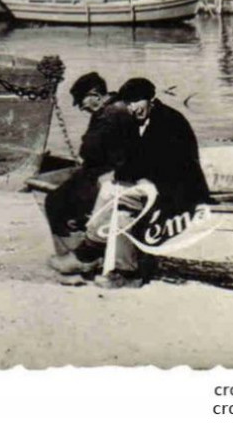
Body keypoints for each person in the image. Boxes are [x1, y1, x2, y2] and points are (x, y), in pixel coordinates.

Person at [79, 77, 210, 289]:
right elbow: (137, 160)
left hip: (179, 191)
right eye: (129, 104)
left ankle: (92, 246)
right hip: (159, 185)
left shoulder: (167, 122)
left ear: (150, 99)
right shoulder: (149, 119)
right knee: (121, 213)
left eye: (137, 102)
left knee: (111, 194)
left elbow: (156, 164)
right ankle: (126, 272)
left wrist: (123, 176)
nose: (133, 108)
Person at [45, 73, 139, 273]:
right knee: (64, 198)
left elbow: (89, 150)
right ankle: (86, 252)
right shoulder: (115, 109)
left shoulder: (110, 114)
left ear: (95, 95)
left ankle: (82, 258)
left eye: (81, 101)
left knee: (55, 202)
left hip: (110, 176)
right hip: (110, 172)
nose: (81, 107)